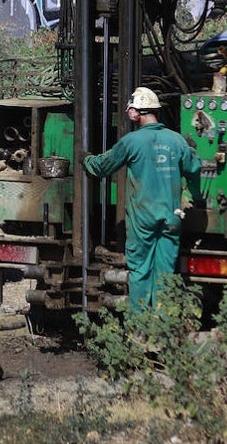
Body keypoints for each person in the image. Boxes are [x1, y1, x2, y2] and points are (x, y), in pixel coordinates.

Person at [82, 87, 201, 312]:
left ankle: (140, 332)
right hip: (171, 217)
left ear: (137, 112)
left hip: (143, 220)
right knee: (166, 273)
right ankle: (162, 329)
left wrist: (86, 159)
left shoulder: (132, 142)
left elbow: (102, 167)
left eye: (130, 109)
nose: (128, 113)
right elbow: (194, 167)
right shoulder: (176, 140)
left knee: (141, 271)